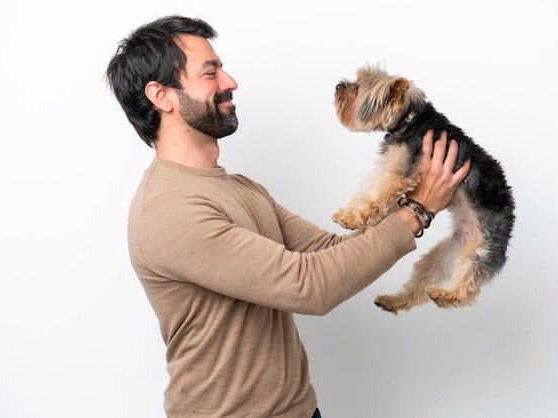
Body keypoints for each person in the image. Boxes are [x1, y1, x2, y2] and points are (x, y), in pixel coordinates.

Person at [105, 15, 470, 418]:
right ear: (162, 96)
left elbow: (331, 253)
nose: (230, 81)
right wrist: (417, 210)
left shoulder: (240, 188)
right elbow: (309, 286)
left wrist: (412, 190)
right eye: (210, 73)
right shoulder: (170, 210)